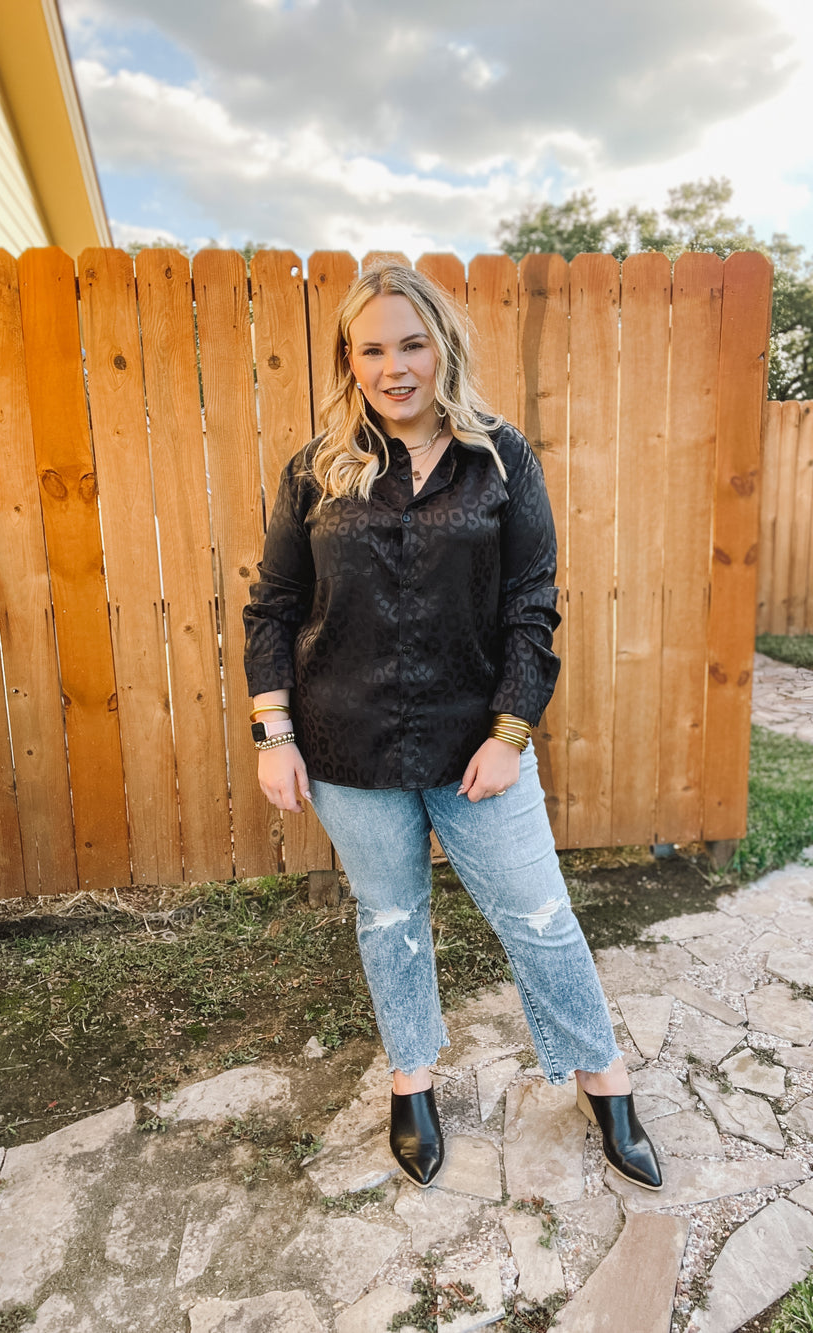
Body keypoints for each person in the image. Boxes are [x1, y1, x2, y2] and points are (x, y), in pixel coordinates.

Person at [243, 263, 661, 1192]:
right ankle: (412, 1078)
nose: (394, 368)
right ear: (349, 361)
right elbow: (273, 605)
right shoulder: (316, 469)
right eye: (372, 350)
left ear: (443, 347)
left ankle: (602, 1076)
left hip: (477, 748)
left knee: (540, 916)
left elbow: (531, 604)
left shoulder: (501, 459)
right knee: (391, 917)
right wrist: (276, 733)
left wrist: (509, 735)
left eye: (412, 344)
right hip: (347, 747)